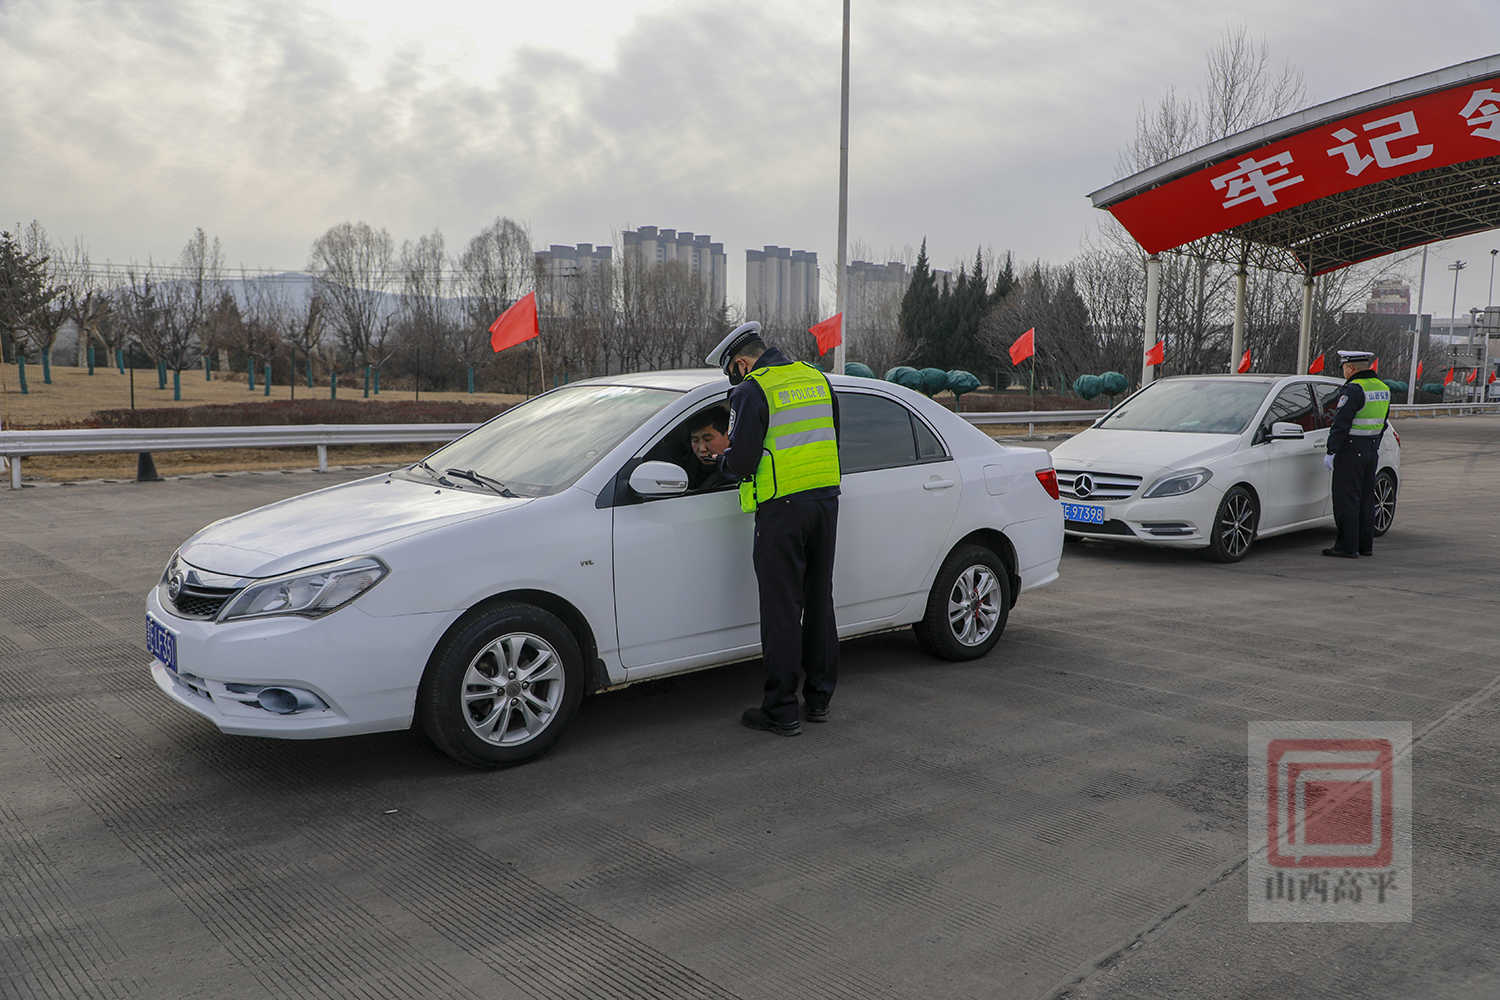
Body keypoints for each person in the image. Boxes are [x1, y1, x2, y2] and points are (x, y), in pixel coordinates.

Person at [706, 321, 841, 736]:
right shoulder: (817, 379)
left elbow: (742, 461)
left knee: (782, 610)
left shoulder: (751, 390)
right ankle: (818, 699)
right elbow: (833, 439)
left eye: (731, 371)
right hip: (825, 502)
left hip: (782, 510)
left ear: (741, 363)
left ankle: (781, 709)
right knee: (819, 600)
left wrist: (719, 464)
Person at [1323, 349, 1390, 559]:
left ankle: (1346, 547)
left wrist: (1332, 450)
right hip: (1371, 450)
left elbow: (1340, 423)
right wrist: (1372, 445)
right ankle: (1365, 545)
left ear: (1351, 368)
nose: (1344, 371)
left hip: (1350, 451)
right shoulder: (1383, 388)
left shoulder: (1353, 389)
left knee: (1346, 500)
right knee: (1365, 500)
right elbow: (1383, 424)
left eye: (1344, 367)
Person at [686, 407, 736, 492]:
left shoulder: (738, 467)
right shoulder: (687, 466)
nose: (702, 449)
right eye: (695, 440)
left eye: (707, 439)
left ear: (728, 435)